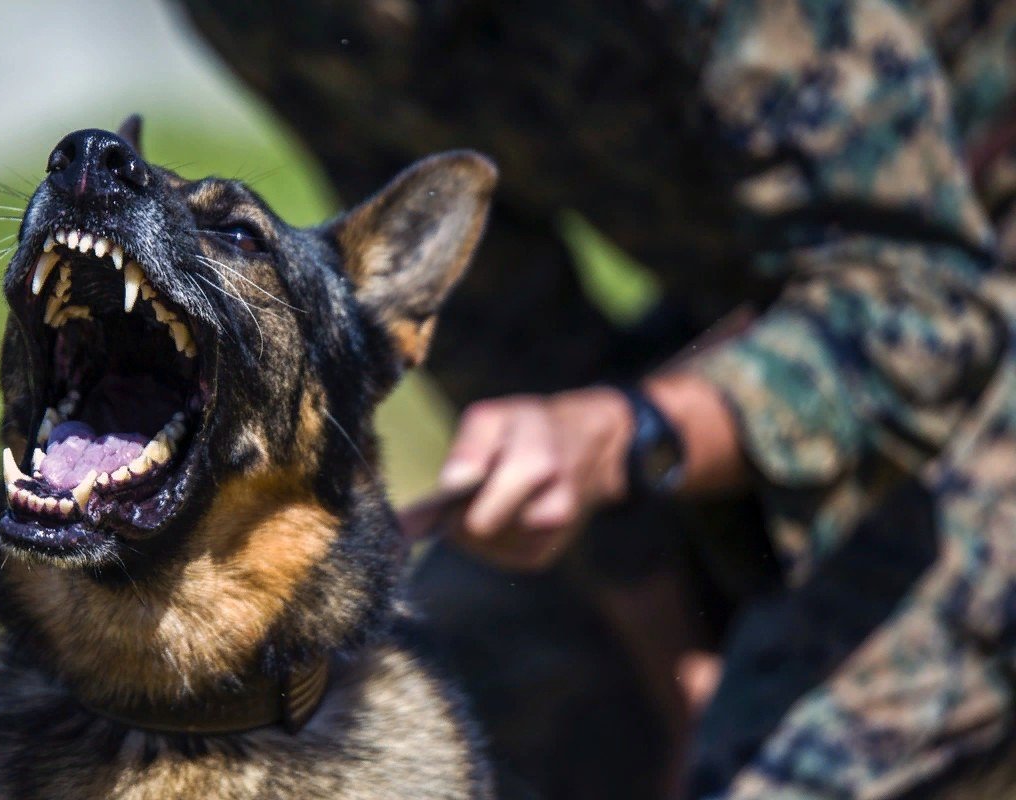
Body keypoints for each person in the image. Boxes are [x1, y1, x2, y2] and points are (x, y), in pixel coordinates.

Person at [182, 1, 1016, 797]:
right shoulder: (270, 12)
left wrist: (628, 434)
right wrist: (675, 672)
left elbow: (923, 304)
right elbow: (510, 338)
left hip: (954, 296)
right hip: (749, 325)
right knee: (420, 704)